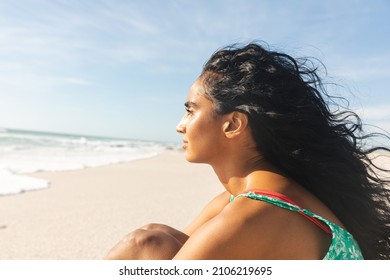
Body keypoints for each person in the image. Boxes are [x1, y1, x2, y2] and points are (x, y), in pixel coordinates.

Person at [105, 42, 390, 260]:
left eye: (191, 112)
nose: (181, 126)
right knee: (160, 239)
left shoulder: (254, 215)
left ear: (233, 124)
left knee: (146, 245)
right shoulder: (237, 200)